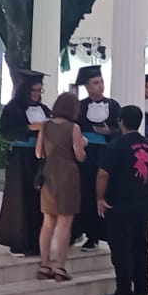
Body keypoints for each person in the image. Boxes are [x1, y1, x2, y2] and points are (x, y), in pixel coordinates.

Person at [97, 105, 148, 295]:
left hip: (121, 204)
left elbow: (103, 174)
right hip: (144, 202)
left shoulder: (117, 145)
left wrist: (100, 198)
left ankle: (123, 292)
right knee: (141, 247)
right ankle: (142, 289)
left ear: (121, 122)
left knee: (121, 248)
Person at [0, 69, 50, 259]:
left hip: (40, 158)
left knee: (38, 200)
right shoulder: (13, 108)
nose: (36, 94)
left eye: (39, 90)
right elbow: (5, 132)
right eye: (33, 90)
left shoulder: (44, 110)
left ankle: (36, 242)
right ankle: (18, 242)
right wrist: (28, 128)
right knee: (19, 198)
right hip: (20, 158)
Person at [37, 92, 86, 281]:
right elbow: (80, 156)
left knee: (47, 222)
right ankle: (60, 268)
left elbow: (38, 153)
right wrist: (83, 143)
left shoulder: (45, 125)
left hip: (48, 174)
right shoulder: (74, 128)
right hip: (68, 176)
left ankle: (44, 265)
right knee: (65, 223)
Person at [73, 66, 119, 251]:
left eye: (101, 82)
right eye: (95, 83)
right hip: (85, 155)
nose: (100, 86)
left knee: (102, 193)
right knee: (83, 193)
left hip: (105, 153)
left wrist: (109, 132)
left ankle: (98, 234)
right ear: (87, 86)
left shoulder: (113, 106)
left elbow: (120, 129)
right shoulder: (80, 106)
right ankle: (79, 231)